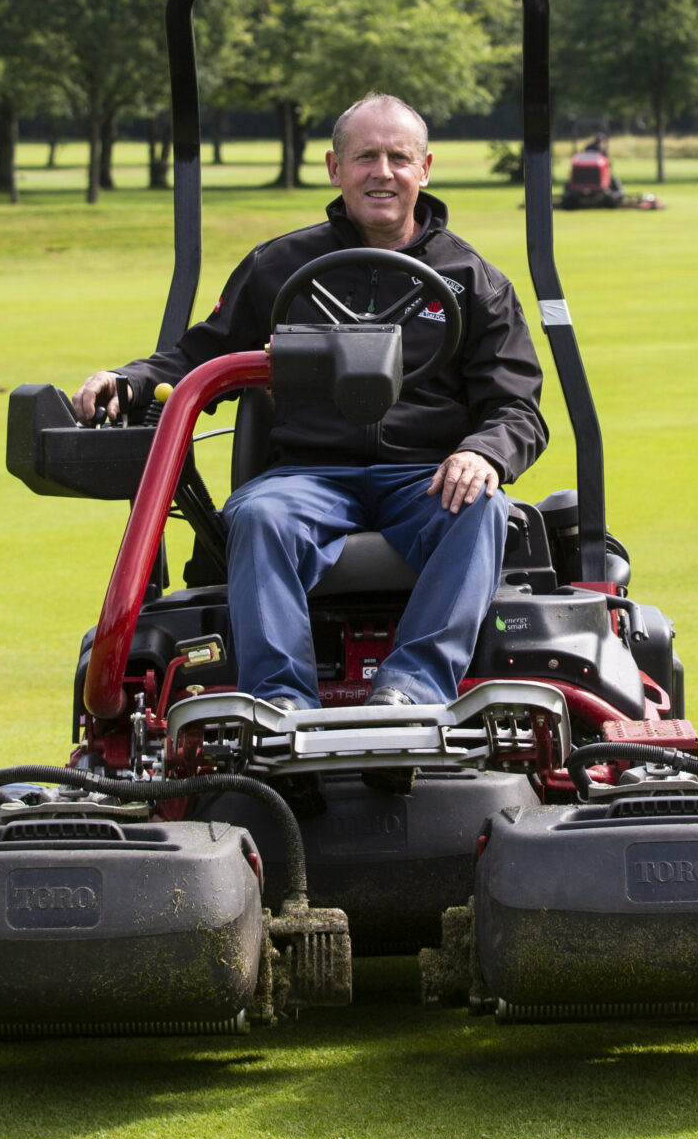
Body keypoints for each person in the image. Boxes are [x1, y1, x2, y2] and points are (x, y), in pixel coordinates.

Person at [75, 93, 546, 710]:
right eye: (365, 157)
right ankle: (279, 704)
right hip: (309, 475)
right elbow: (196, 357)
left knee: (482, 507)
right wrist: (128, 380)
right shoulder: (281, 267)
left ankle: (412, 688)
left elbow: (518, 409)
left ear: (424, 168)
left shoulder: (472, 281)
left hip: (426, 477)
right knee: (260, 514)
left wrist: (483, 453)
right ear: (334, 167)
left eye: (398, 157)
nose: (383, 172)